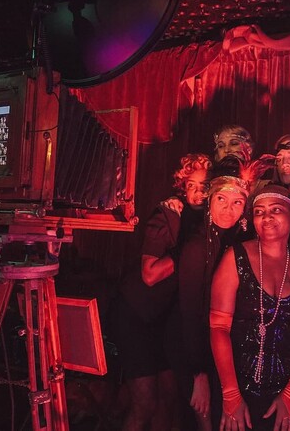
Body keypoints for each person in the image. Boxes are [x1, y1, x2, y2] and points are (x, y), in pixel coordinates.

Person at [210, 183, 290, 431]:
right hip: (237, 389)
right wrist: (230, 394)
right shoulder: (235, 257)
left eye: (276, 210)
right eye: (259, 212)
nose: (267, 217)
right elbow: (219, 327)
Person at [116, 153, 211, 431]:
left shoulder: (209, 221)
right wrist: (190, 250)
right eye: (191, 185)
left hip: (164, 320)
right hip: (136, 316)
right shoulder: (169, 214)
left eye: (204, 186)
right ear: (183, 187)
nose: (198, 193)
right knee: (145, 405)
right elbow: (150, 275)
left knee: (170, 401)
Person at [168, 156, 260, 431]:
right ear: (210, 200)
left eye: (237, 202)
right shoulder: (197, 247)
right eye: (221, 199)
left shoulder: (241, 241)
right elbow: (189, 314)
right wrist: (199, 375)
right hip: (192, 348)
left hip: (224, 347)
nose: (228, 210)